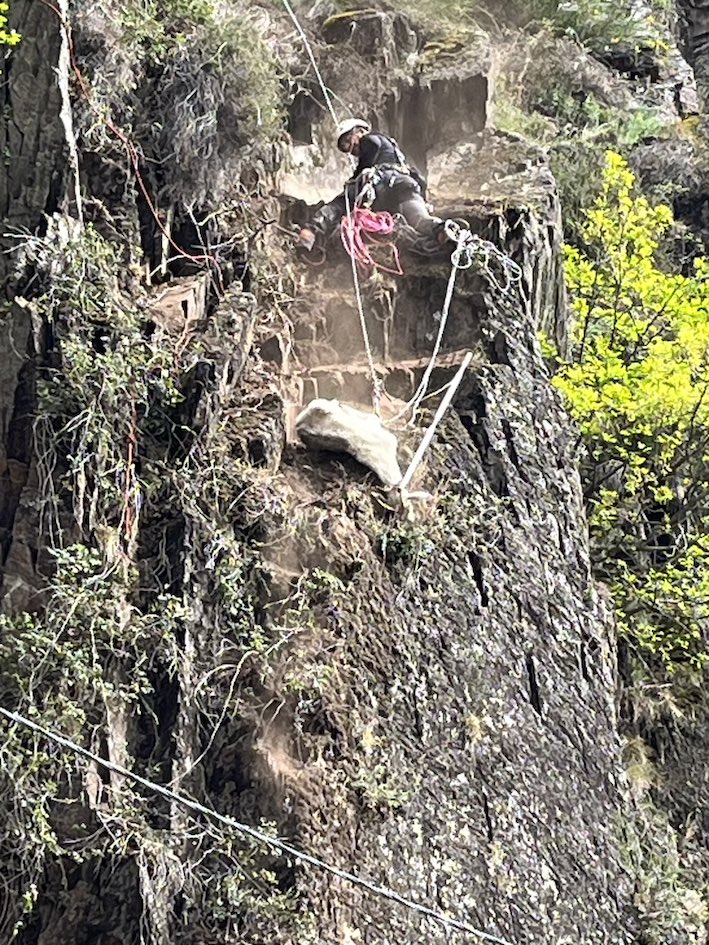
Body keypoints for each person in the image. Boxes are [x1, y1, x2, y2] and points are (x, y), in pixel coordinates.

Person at [296, 118, 446, 252]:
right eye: (345, 148)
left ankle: (310, 231)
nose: (350, 150)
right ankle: (442, 231)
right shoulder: (396, 155)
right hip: (403, 186)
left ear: (359, 131)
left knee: (343, 201)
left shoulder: (370, 139)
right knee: (418, 219)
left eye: (348, 141)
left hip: (382, 183)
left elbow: (371, 149)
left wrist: (354, 179)